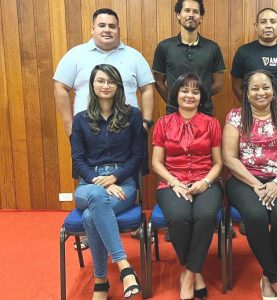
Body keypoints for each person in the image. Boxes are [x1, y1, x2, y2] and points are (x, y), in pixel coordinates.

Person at [54, 8, 155, 250]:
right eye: (102, 25)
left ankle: (112, 227)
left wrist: (145, 124)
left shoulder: (133, 56)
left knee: (130, 183)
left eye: (112, 25)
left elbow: (148, 88)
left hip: (127, 131)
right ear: (92, 28)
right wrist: (70, 126)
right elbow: (60, 87)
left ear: (119, 29)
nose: (107, 29)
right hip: (89, 132)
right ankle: (100, 232)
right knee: (89, 181)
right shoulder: (76, 55)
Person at [223, 70, 277, 300]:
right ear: (246, 93)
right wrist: (256, 183)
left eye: (266, 87)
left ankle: (267, 277)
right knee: (256, 217)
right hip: (243, 180)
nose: (261, 92)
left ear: (273, 91)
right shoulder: (235, 117)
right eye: (254, 88)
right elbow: (229, 158)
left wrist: (276, 182)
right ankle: (275, 280)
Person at [70, 64, 145, 299]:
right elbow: (78, 159)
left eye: (110, 81)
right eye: (100, 81)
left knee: (92, 216)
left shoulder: (132, 115)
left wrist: (114, 177)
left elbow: (138, 155)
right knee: (95, 195)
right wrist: (99, 182)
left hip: (123, 182)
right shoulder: (80, 119)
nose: (105, 85)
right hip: (87, 184)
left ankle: (101, 281)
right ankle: (124, 267)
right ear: (92, 85)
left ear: (118, 86)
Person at [151, 73, 223, 300]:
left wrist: (205, 182)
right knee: (180, 217)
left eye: (195, 91)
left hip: (206, 180)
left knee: (205, 215)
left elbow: (219, 162)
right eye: (184, 90)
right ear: (176, 94)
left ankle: (188, 275)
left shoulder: (212, 123)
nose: (189, 95)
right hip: (172, 182)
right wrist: (174, 182)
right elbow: (155, 162)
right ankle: (196, 273)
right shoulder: (163, 123)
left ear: (201, 97)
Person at [152, 0, 225, 116]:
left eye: (195, 12)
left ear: (201, 17)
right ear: (178, 15)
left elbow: (218, 84)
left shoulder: (213, 48)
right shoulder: (164, 47)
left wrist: (197, 100)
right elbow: (158, 81)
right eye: (187, 10)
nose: (191, 14)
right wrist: (176, 102)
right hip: (174, 113)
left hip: (204, 113)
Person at [231, 8, 277, 109]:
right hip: (252, 113)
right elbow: (236, 87)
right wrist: (250, 107)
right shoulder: (243, 52)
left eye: (273, 21)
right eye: (263, 22)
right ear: (256, 26)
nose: (268, 25)